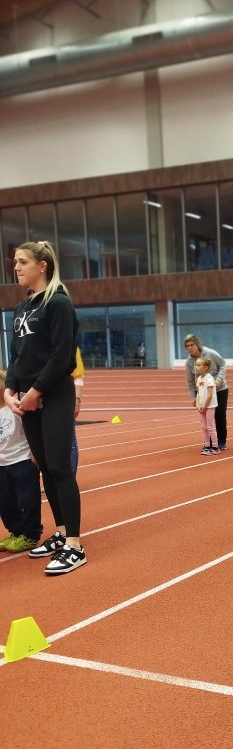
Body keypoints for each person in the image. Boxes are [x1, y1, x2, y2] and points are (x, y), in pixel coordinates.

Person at [3, 240, 86, 575]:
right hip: (28, 397)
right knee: (45, 469)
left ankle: (75, 546)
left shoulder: (59, 304)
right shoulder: (21, 309)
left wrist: (36, 391)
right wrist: (10, 390)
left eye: (23, 262)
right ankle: (62, 532)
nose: (16, 268)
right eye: (15, 262)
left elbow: (63, 357)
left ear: (42, 266)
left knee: (60, 467)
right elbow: (17, 357)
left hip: (54, 395)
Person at [0, 368, 43, 553]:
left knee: (27, 500)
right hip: (2, 465)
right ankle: (16, 532)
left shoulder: (16, 405)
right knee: (5, 502)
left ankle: (31, 535)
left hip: (21, 462)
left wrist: (34, 456)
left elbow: (31, 431)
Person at [184, 334, 229, 450]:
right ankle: (209, 442)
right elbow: (190, 382)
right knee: (206, 418)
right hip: (203, 392)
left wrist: (218, 380)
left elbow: (223, 364)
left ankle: (221, 442)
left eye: (192, 345)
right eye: (187, 346)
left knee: (219, 416)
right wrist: (194, 398)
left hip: (220, 390)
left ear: (197, 344)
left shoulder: (210, 353)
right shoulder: (189, 362)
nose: (189, 348)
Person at [194, 356, 219, 455]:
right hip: (202, 406)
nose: (196, 367)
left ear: (206, 367)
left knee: (210, 426)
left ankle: (215, 447)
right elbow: (198, 393)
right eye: (196, 365)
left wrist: (205, 405)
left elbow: (210, 395)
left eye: (199, 365)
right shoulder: (199, 378)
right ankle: (207, 445)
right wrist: (198, 404)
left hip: (210, 406)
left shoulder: (209, 379)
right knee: (204, 427)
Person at [71, 347, 84, 474]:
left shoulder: (71, 346)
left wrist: (77, 399)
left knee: (69, 442)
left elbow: (78, 376)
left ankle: (69, 479)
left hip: (63, 401)